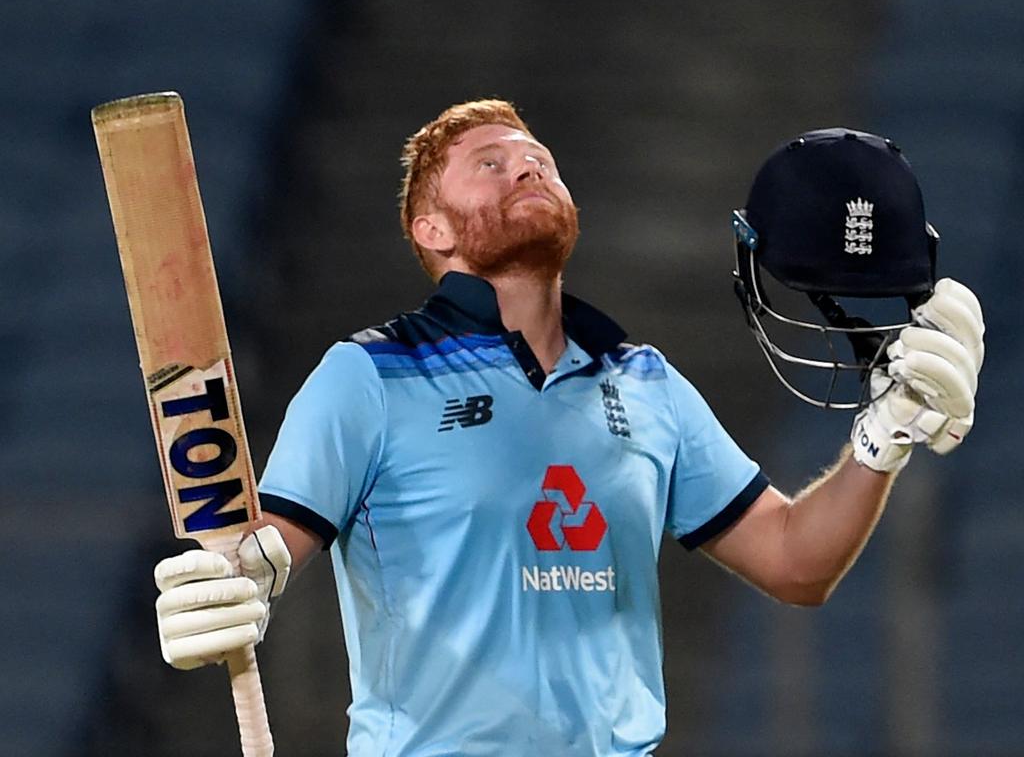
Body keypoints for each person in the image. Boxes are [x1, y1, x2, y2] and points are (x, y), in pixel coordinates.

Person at [153, 100, 984, 756]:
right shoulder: (367, 376)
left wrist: (885, 440)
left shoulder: (646, 382)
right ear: (430, 230)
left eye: (538, 159)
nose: (526, 164)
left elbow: (796, 562)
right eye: (491, 163)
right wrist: (225, 586)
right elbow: (260, 553)